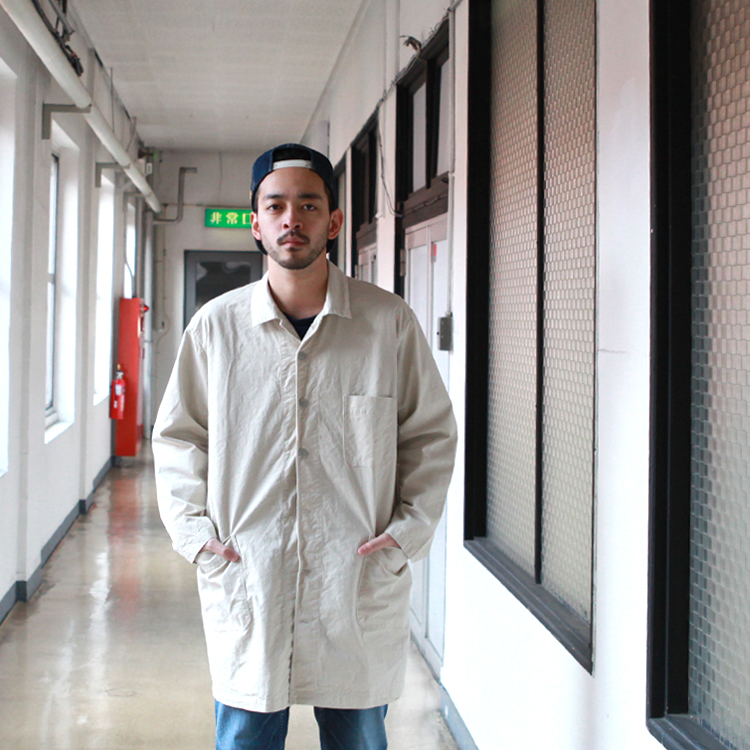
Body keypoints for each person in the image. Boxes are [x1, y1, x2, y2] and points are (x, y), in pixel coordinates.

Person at [152, 143, 457, 750]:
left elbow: (430, 436)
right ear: (256, 222)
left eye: (309, 205)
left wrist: (406, 533)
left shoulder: (386, 323)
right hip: (249, 574)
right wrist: (197, 538)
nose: (292, 219)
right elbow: (179, 437)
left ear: (334, 221)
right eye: (276, 206)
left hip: (355, 581)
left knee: (357, 739)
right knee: (245, 737)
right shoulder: (216, 328)